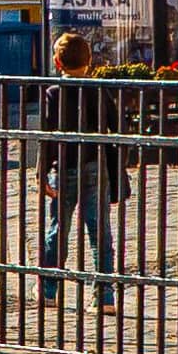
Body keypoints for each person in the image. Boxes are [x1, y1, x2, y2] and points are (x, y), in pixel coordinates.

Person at [37, 27, 124, 309]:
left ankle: (49, 290)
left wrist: (41, 173)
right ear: (90, 62)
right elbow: (119, 126)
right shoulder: (98, 89)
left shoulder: (53, 92)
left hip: (63, 167)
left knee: (57, 230)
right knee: (100, 232)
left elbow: (48, 136)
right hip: (95, 165)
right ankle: (104, 295)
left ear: (57, 63)